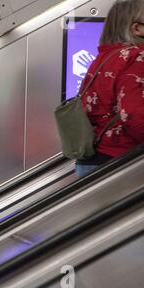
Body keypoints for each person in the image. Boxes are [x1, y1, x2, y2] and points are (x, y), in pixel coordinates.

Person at [76, 0, 144, 178]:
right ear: (137, 29)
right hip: (122, 163)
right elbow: (134, 116)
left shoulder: (103, 58)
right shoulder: (137, 57)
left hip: (91, 161)